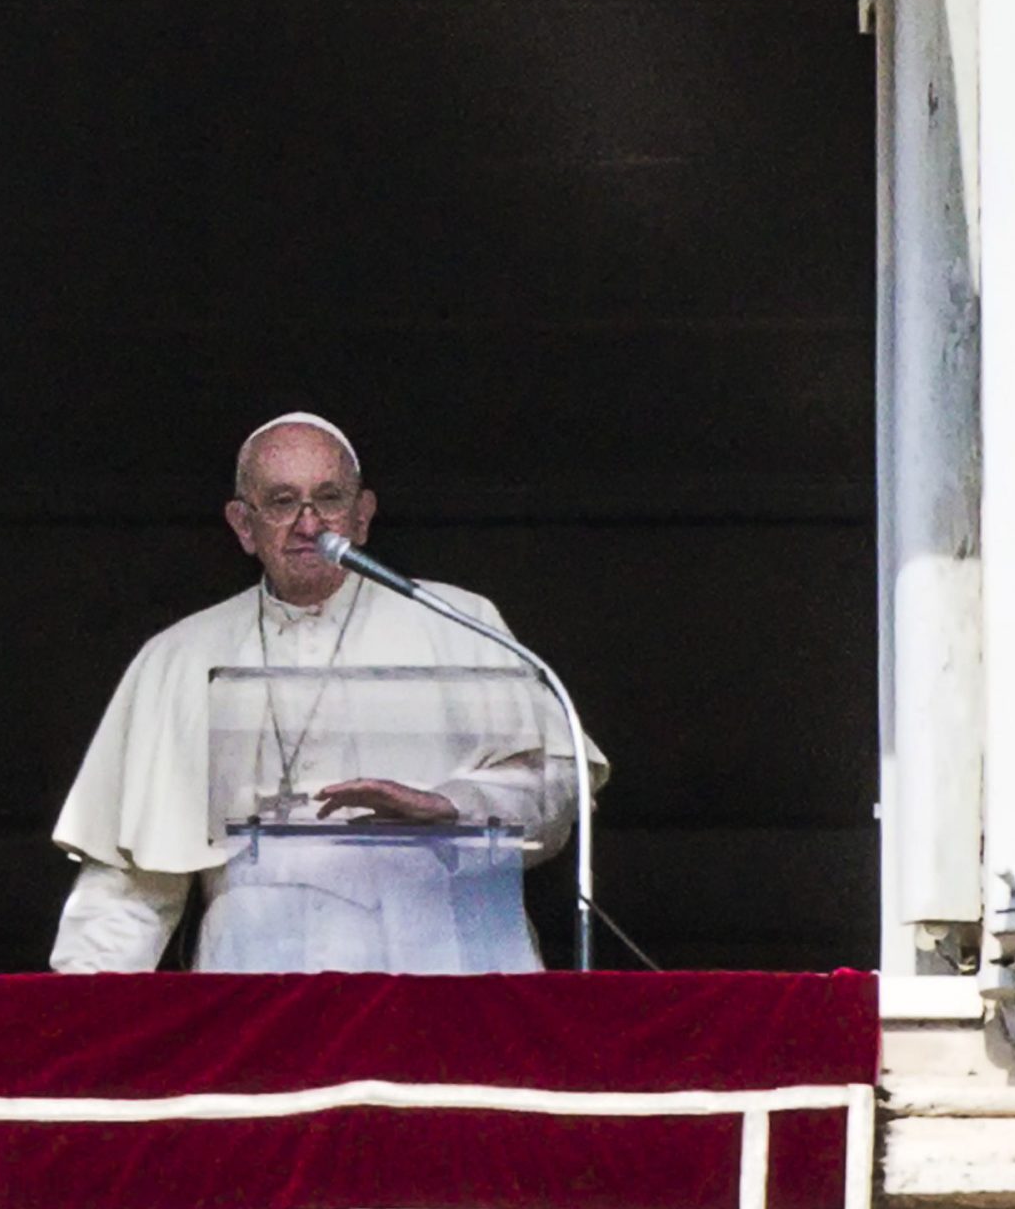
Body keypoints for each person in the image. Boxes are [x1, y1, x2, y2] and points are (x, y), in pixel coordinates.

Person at [48, 413, 603, 973]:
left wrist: (452, 806)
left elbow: (556, 788)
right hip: (257, 979)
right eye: (283, 501)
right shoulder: (179, 656)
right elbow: (128, 885)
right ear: (244, 525)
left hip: (442, 969)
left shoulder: (459, 622)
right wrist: (79, 1012)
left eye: (329, 498)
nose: (309, 524)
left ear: (362, 517)